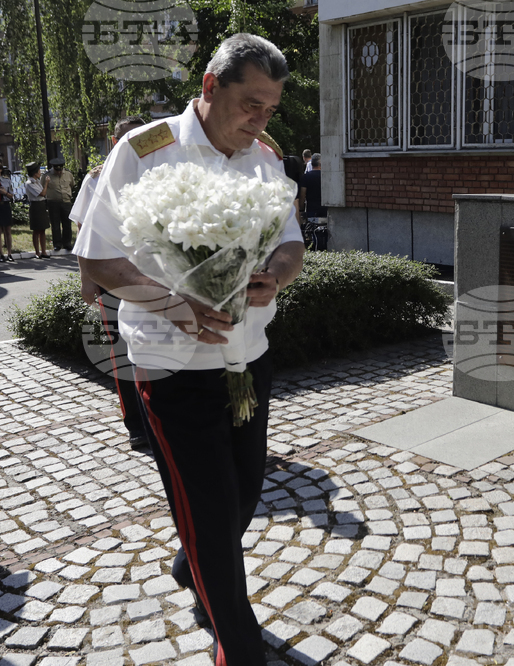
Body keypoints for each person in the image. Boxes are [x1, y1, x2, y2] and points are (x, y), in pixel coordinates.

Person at [75, 34, 304, 666]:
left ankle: (193, 564)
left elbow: (291, 244)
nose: (260, 121)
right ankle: (237, 642)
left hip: (247, 357)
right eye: (250, 104)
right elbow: (97, 259)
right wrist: (179, 306)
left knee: (247, 491)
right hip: (172, 364)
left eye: (270, 109)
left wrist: (275, 276)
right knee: (208, 513)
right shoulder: (144, 151)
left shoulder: (265, 158)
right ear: (209, 87)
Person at [73, 115, 148, 450]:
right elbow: (85, 233)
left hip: (152, 276)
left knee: (154, 349)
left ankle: (160, 416)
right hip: (110, 278)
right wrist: (86, 279)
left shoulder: (158, 169)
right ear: (115, 142)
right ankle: (136, 425)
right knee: (120, 352)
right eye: (124, 138)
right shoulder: (96, 178)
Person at [42, 155, 75, 252]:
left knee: (67, 223)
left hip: (66, 201)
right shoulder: (46, 176)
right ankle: (57, 244)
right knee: (55, 224)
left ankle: (67, 243)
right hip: (53, 202)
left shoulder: (68, 174)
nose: (59, 172)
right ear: (53, 168)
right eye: (57, 170)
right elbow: (43, 187)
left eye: (60, 170)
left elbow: (71, 185)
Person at [24, 163, 50, 258]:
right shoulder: (29, 183)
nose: (40, 172)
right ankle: (37, 252)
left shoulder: (37, 181)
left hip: (41, 205)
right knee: (36, 230)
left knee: (42, 229)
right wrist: (46, 183)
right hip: (35, 206)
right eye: (39, 171)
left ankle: (44, 251)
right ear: (35, 173)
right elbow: (42, 193)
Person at [300, 153, 325, 220]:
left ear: (311, 164)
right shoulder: (325, 177)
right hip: (324, 210)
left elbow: (302, 195)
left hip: (311, 210)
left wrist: (301, 209)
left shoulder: (305, 177)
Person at [0, 167, 14, 262]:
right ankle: (1, 254)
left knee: (8, 230)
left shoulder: (6, 180)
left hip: (5, 205)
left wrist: (4, 192)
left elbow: (11, 195)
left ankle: (9, 253)